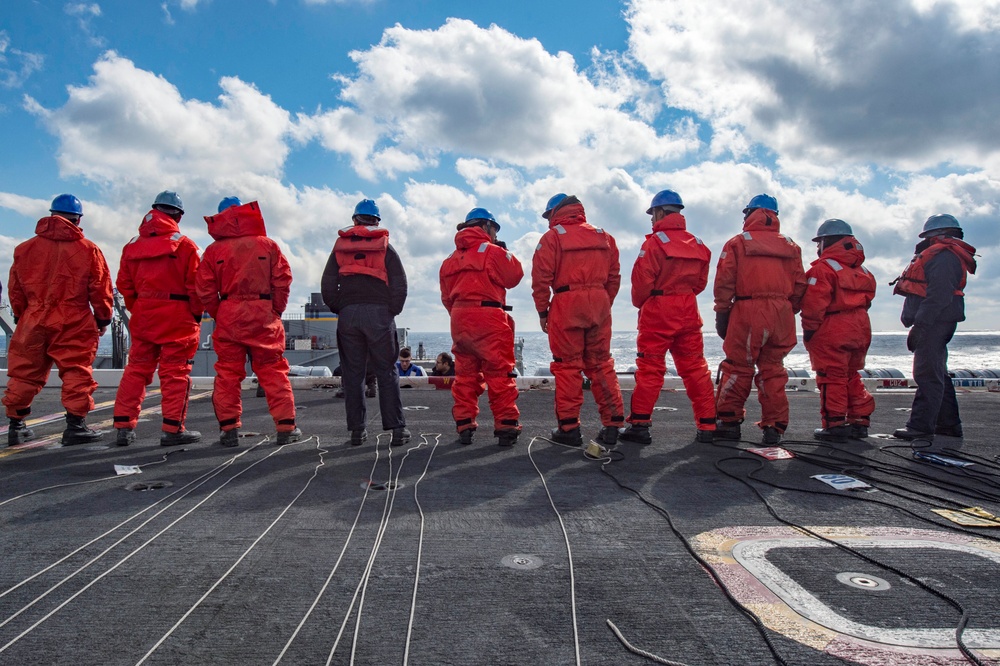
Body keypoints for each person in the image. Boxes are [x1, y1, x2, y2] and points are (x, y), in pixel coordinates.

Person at [3, 194, 113, 447]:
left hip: (33, 318)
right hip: (73, 318)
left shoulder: (24, 249)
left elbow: (15, 289)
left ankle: (16, 426)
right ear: (78, 218)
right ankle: (75, 426)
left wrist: (22, 315)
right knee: (76, 371)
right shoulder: (88, 249)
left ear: (51, 215)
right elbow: (100, 288)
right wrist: (103, 317)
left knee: (24, 373)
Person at [195, 197, 300, 447]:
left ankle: (229, 430)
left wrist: (220, 312)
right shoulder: (268, 245)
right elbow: (283, 281)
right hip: (263, 313)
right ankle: (286, 428)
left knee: (228, 373)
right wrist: (275, 309)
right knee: (273, 370)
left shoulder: (213, 251)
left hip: (229, 313)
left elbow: (205, 289)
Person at [620, 190, 716, 445]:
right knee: (695, 369)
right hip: (688, 309)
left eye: (652, 215)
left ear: (661, 212)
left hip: (659, 311)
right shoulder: (698, 244)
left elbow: (640, 285)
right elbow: (700, 284)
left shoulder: (653, 243)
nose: (651, 220)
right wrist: (682, 294)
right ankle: (707, 426)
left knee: (650, 368)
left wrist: (647, 302)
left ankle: (639, 426)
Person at [532, 193, 624, 447]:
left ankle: (569, 429)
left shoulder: (551, 238)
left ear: (554, 213)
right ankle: (614, 424)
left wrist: (543, 312)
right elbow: (614, 276)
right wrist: (603, 303)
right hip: (599, 303)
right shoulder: (604, 236)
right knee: (601, 365)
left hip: (566, 304)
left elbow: (540, 280)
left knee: (568, 368)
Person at [112, 191, 203, 447]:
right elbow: (196, 286)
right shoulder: (185, 245)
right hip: (178, 316)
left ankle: (123, 427)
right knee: (175, 373)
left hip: (144, 316)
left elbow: (124, 285)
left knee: (136, 369)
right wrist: (195, 314)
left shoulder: (131, 246)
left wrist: (139, 308)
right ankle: (172, 430)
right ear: (178, 215)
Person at [713, 194, 806, 444]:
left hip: (749, 310)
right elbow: (800, 284)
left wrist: (722, 312)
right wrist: (788, 308)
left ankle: (729, 421)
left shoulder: (738, 243)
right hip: (782, 313)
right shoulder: (791, 246)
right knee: (773, 370)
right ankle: (774, 427)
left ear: (749, 214)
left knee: (739, 367)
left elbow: (724, 281)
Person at [321, 198, 410, 446]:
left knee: (352, 374)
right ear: (377, 221)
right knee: (386, 371)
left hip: (348, 315)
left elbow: (327, 284)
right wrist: (391, 310)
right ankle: (397, 430)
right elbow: (400, 283)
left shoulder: (339, 249)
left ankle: (357, 431)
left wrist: (340, 306)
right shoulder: (386, 248)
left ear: (355, 220)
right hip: (379, 314)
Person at [439, 207, 523, 446]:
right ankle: (506, 428)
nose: (495, 235)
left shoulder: (449, 260)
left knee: (465, 376)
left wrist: (461, 314)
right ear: (487, 226)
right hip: (488, 317)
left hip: (459, 318)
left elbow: (446, 297)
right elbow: (514, 276)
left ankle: (464, 426)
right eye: (495, 229)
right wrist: (505, 252)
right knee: (499, 374)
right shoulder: (493, 252)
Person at [891, 213, 977, 442]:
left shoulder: (943, 257)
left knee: (927, 374)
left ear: (937, 235)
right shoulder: (943, 255)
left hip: (934, 323)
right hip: (937, 321)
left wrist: (920, 326)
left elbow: (938, 296)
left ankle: (920, 426)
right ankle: (948, 425)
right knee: (938, 373)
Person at [800, 219, 877, 443]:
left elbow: (814, 305)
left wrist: (809, 330)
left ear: (827, 242)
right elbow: (868, 300)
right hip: (861, 327)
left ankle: (834, 424)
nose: (817, 248)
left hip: (833, 328)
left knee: (831, 376)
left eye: (819, 242)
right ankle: (859, 420)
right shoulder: (864, 271)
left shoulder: (822, 270)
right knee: (852, 375)